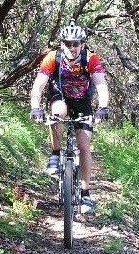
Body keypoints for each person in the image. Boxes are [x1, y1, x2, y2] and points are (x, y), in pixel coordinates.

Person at [29, 19, 109, 214]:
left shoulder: (90, 59)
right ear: (62, 43)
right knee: (57, 113)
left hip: (83, 100)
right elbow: (39, 85)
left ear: (82, 44)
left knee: (84, 146)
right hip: (61, 96)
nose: (72, 48)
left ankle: (86, 194)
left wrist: (103, 107)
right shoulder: (52, 57)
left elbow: (100, 84)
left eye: (76, 44)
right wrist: (35, 107)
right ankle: (55, 154)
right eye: (68, 43)